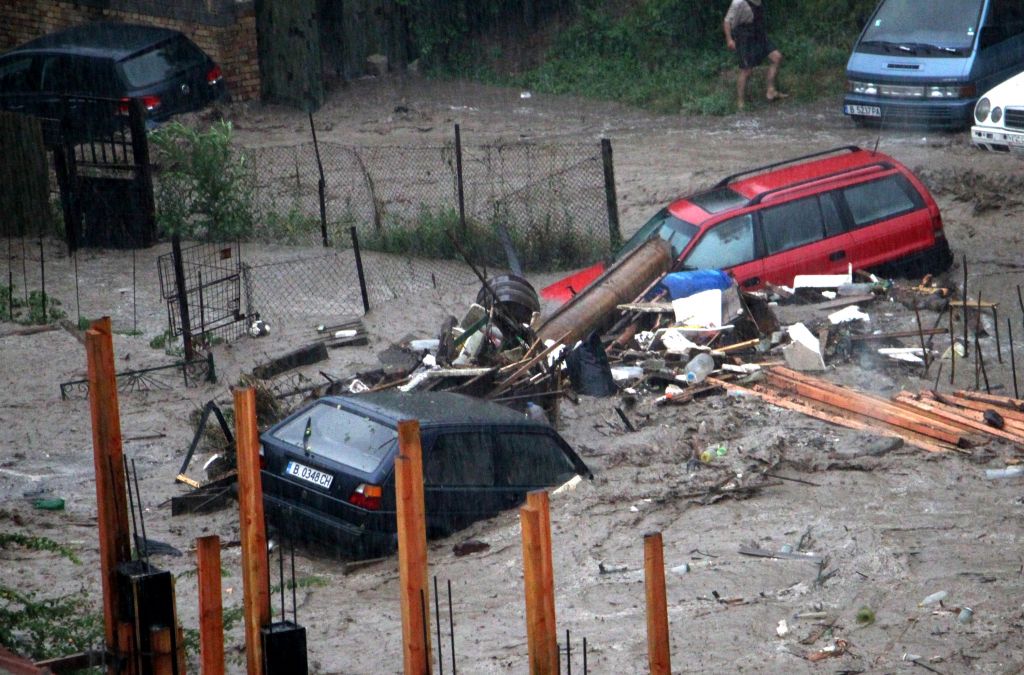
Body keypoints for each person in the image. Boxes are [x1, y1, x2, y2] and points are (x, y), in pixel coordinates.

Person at [723, 0, 786, 110]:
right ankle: (740, 103)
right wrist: (729, 39)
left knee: (777, 57)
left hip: (759, 35)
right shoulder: (738, 2)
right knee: (746, 70)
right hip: (745, 37)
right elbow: (727, 21)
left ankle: (771, 90)